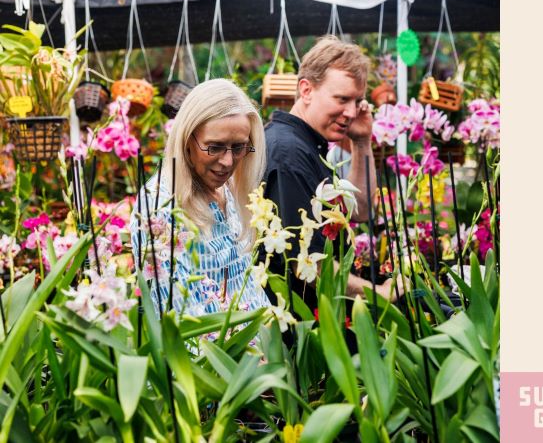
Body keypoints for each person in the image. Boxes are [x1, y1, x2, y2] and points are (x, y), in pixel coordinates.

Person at [264, 36, 404, 308]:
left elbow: (361, 209)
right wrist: (379, 293)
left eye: (358, 101)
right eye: (341, 99)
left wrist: (362, 141)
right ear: (306, 90)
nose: (351, 112)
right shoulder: (288, 153)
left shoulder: (307, 145)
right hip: (301, 328)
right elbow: (306, 262)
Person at [130, 79, 270, 317]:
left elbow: (249, 290)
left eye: (238, 148)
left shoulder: (229, 190)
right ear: (186, 141)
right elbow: (181, 319)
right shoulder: (159, 208)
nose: (227, 162)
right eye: (214, 147)